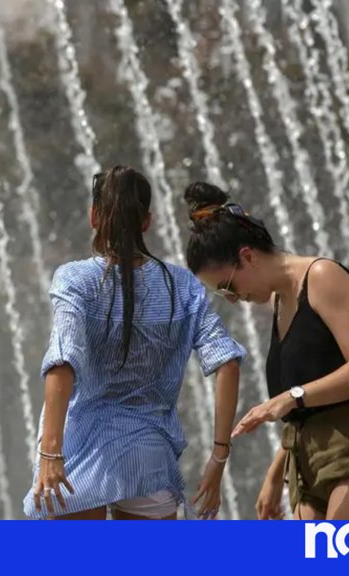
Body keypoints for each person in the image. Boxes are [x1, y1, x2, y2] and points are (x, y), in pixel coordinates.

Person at [182, 181, 349, 520]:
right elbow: (307, 410)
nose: (233, 299)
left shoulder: (322, 276)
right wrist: (276, 474)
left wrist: (290, 397)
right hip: (306, 468)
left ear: (247, 256)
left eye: (228, 287)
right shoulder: (279, 301)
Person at [25, 165, 244, 520]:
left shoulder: (75, 279)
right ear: (147, 221)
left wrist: (51, 453)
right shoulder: (182, 286)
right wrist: (218, 456)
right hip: (147, 458)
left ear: (94, 216)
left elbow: (63, 361)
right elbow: (227, 362)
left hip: (78, 454)